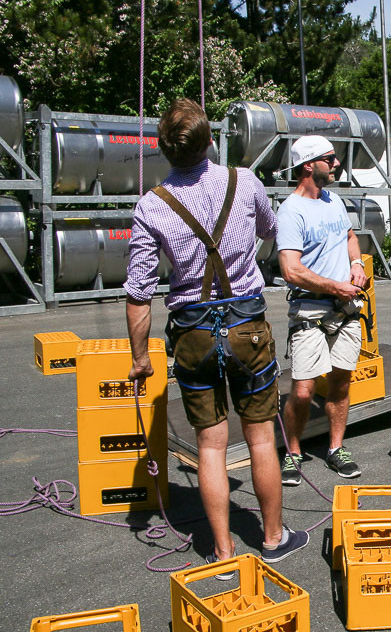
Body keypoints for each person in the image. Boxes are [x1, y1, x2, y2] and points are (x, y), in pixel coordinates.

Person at [125, 98, 309, 568]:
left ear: (164, 152)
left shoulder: (151, 204)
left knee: (210, 443)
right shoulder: (243, 181)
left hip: (192, 331)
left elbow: (139, 293)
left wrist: (140, 358)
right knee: (261, 437)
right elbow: (270, 229)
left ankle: (223, 551)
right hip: (246, 322)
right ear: (211, 141)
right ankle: (272, 537)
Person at [277, 135, 369, 483]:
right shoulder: (291, 212)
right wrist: (335, 286)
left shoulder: (333, 201)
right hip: (310, 312)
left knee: (341, 383)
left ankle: (335, 448)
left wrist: (357, 263)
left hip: (345, 310)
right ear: (308, 166)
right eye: (329, 159)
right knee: (302, 390)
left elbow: (349, 237)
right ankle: (293, 451)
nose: (336, 164)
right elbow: (291, 270)